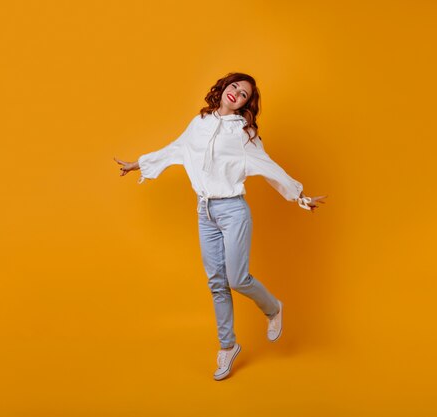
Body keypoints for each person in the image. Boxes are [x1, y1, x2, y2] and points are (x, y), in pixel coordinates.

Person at [114, 72, 327, 381]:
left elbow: (268, 166)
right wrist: (140, 163)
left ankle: (273, 308)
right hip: (204, 211)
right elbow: (177, 149)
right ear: (224, 87)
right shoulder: (199, 122)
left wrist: (298, 195)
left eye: (243, 94)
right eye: (234, 87)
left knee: (237, 278)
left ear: (246, 104)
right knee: (216, 282)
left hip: (233, 211)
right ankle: (227, 346)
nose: (236, 94)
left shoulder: (243, 133)